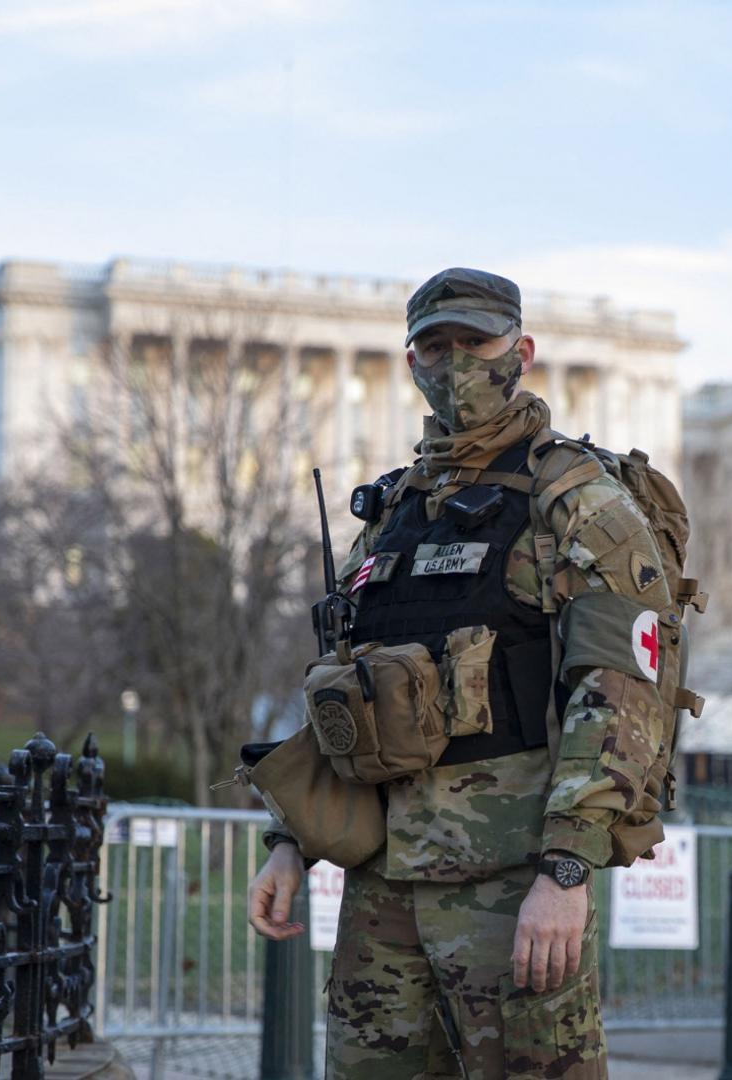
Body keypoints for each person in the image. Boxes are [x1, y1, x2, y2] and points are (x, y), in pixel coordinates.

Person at [246, 267, 674, 1079]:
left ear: (522, 350)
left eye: (475, 342)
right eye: (436, 347)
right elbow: (350, 689)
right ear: (412, 361)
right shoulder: (397, 509)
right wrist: (291, 841)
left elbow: (619, 694)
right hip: (385, 885)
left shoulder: (576, 501)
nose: (456, 364)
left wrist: (567, 869)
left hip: (511, 882)